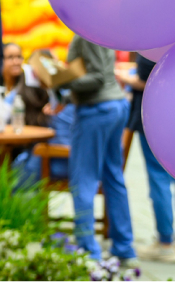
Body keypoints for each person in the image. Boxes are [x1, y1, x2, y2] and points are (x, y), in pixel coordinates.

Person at [66, 34, 136, 263]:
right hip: (114, 106)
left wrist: (60, 80)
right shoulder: (100, 27)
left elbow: (95, 78)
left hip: (96, 109)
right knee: (113, 177)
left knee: (83, 180)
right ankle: (124, 248)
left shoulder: (86, 32)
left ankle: (88, 252)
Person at [117, 54, 175, 262]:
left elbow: (146, 80)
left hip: (155, 119)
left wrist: (126, 78)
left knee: (158, 178)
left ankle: (166, 241)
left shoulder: (152, 47)